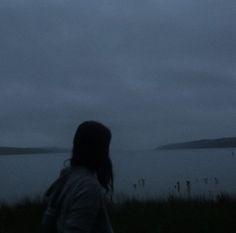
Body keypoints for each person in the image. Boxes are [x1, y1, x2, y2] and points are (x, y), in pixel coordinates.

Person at [42, 121, 114, 233]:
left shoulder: (66, 177)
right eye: (106, 147)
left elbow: (47, 223)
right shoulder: (89, 187)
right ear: (99, 150)